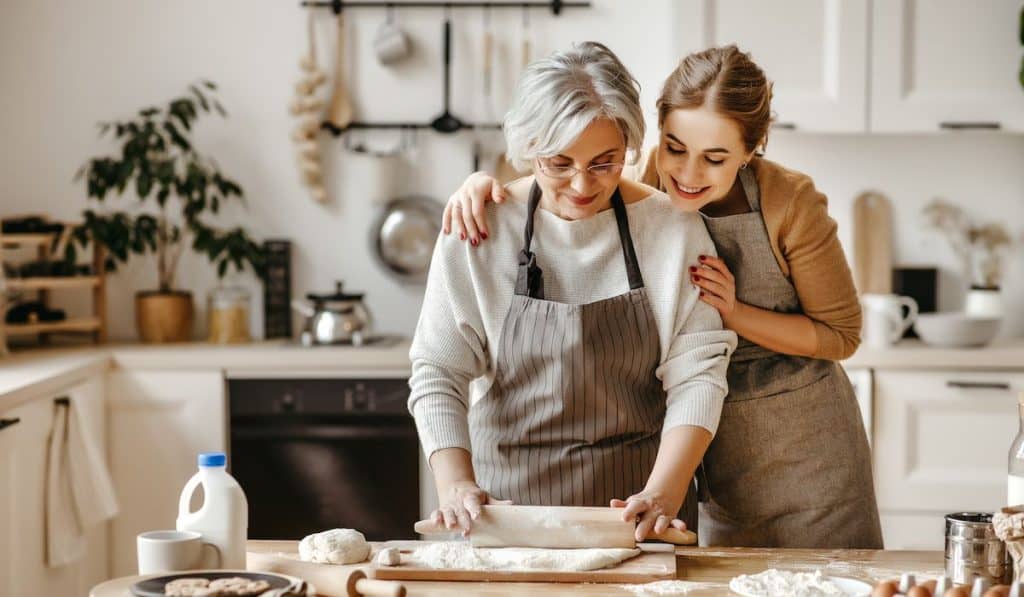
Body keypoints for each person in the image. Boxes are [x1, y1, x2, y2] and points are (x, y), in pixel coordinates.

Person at [440, 44, 883, 549]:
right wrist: (484, 187)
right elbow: (572, 172)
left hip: (802, 445)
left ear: (753, 148)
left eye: (715, 158)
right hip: (706, 449)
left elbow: (840, 335)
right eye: (675, 148)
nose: (689, 175)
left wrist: (733, 313)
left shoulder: (788, 203)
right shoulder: (644, 186)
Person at [408, 41, 736, 542]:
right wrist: (455, 485)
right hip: (505, 517)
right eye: (558, 163)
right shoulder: (480, 228)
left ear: (629, 145)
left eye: (605, 163)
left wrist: (664, 494)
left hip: (637, 517)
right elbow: (438, 370)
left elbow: (699, 375)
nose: (582, 185)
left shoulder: (673, 230)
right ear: (528, 148)